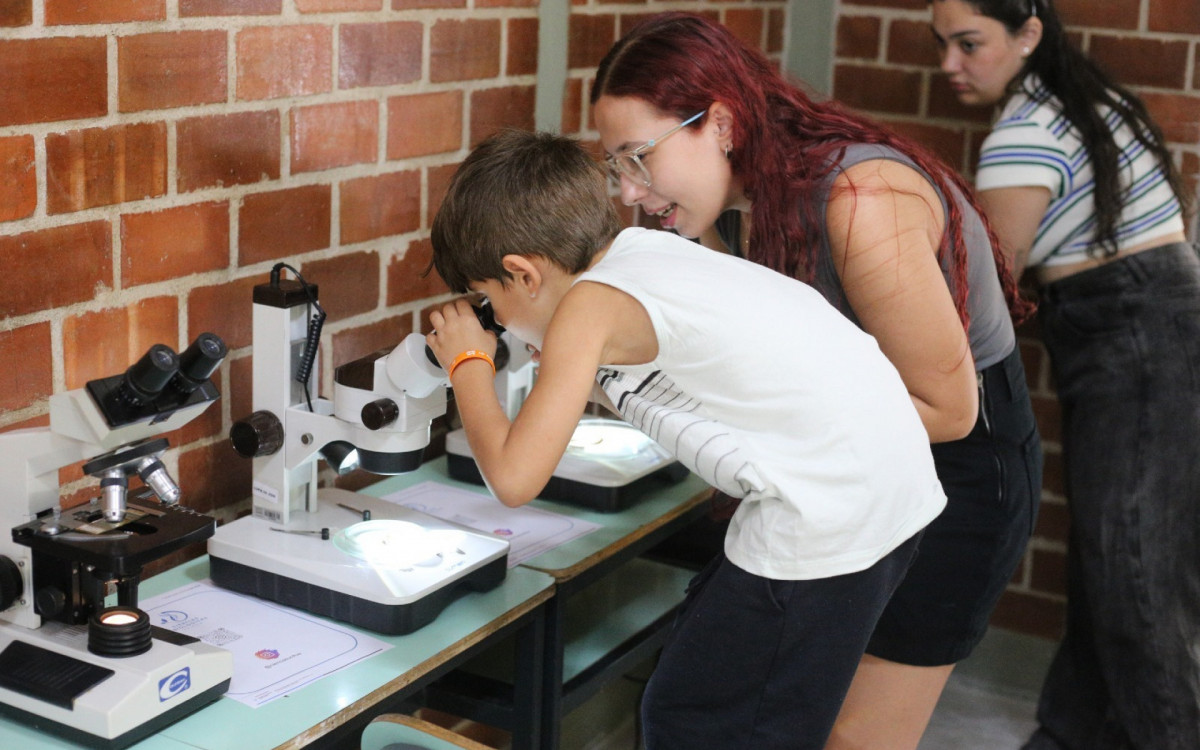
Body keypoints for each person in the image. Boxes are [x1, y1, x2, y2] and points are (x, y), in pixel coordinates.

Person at [590, 12, 1042, 749]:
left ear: (724, 124)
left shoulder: (859, 200)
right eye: (615, 166)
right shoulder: (732, 209)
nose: (629, 192)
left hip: (956, 474)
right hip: (846, 473)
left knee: (852, 738)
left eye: (639, 157)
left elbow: (949, 409)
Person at [424, 129, 947, 749]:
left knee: (699, 724)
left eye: (491, 303)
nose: (498, 325)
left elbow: (513, 479)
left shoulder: (588, 308)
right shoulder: (643, 251)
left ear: (522, 273)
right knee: (701, 697)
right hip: (886, 493)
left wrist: (467, 364)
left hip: (825, 517)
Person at [930, 1, 1200, 748]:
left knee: (1136, 579)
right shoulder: (1077, 98)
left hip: (1132, 336)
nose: (950, 63)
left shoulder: (1024, 130)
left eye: (969, 43)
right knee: (1112, 565)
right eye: (942, 44)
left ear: (1027, 34)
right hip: (1150, 326)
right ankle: (1071, 734)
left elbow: (990, 290)